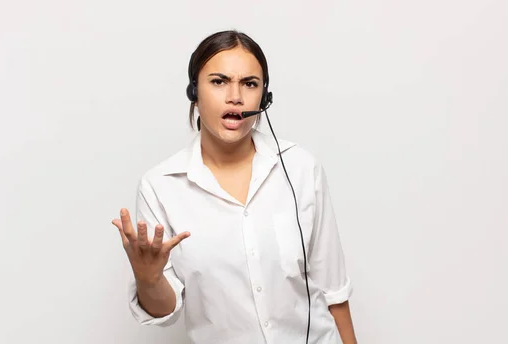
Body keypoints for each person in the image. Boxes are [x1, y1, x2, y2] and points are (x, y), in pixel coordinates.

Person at [112, 30, 358, 344]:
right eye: (219, 81)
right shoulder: (159, 187)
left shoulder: (301, 168)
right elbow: (165, 309)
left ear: (264, 98)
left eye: (250, 84)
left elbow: (333, 290)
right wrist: (148, 278)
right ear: (194, 92)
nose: (235, 97)